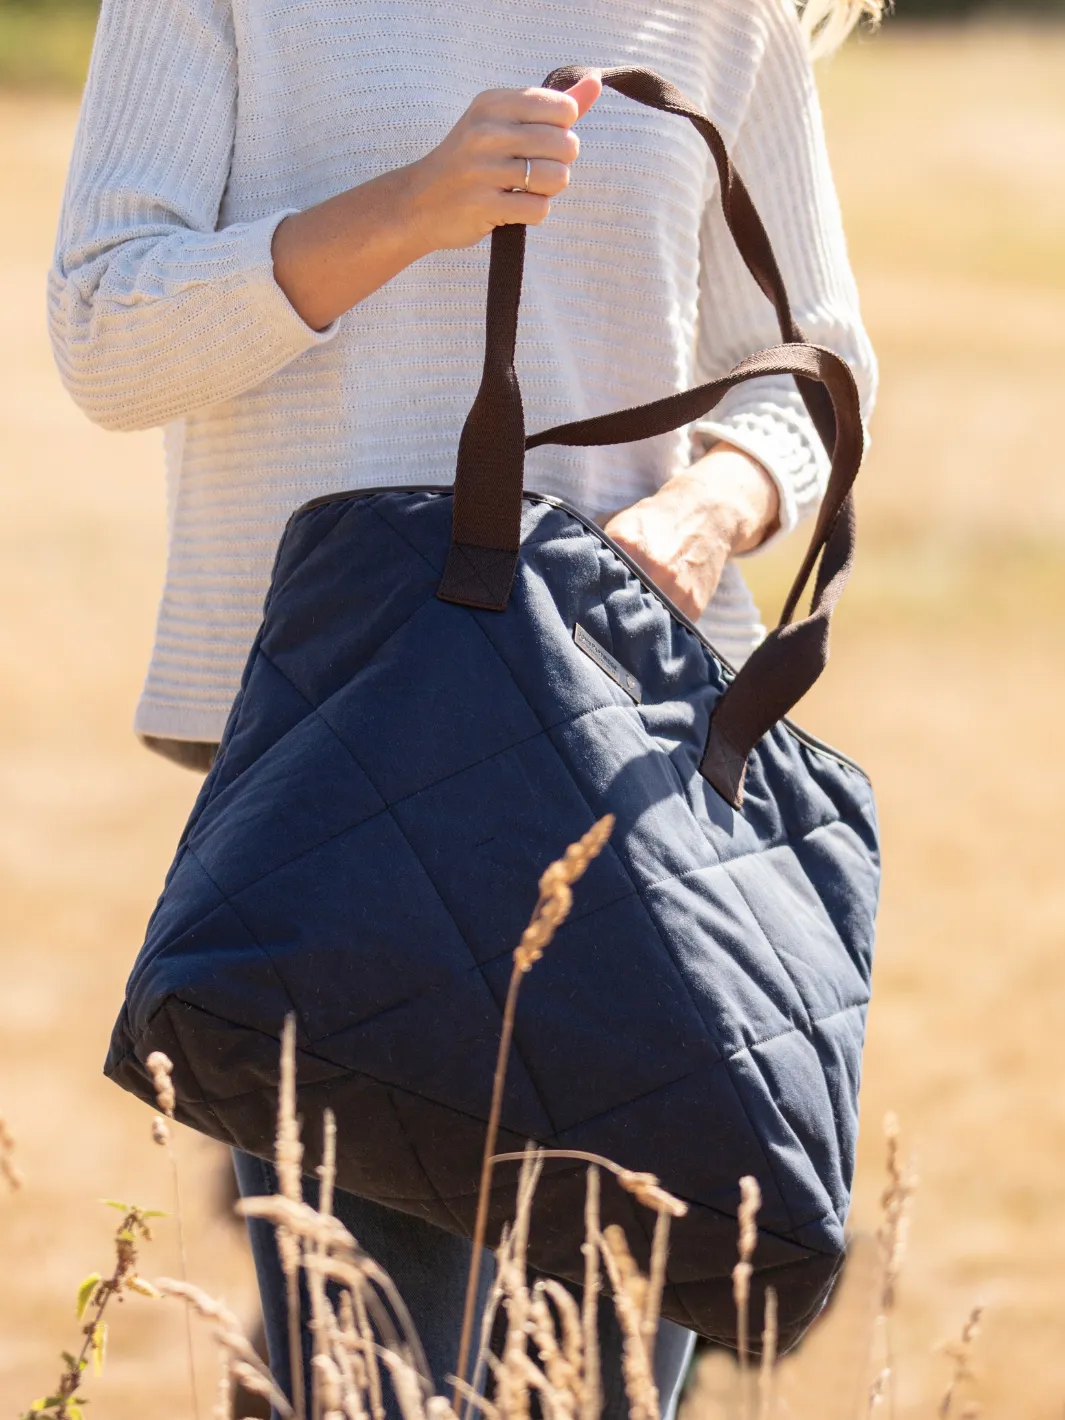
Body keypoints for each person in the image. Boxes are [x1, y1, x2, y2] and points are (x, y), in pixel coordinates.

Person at [49, 0, 880, 1413]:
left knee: (599, 1387)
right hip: (335, 762)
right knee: (370, 1378)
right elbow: (107, 330)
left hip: (628, 777)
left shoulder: (725, 13)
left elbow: (816, 373)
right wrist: (409, 209)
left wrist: (702, 510)